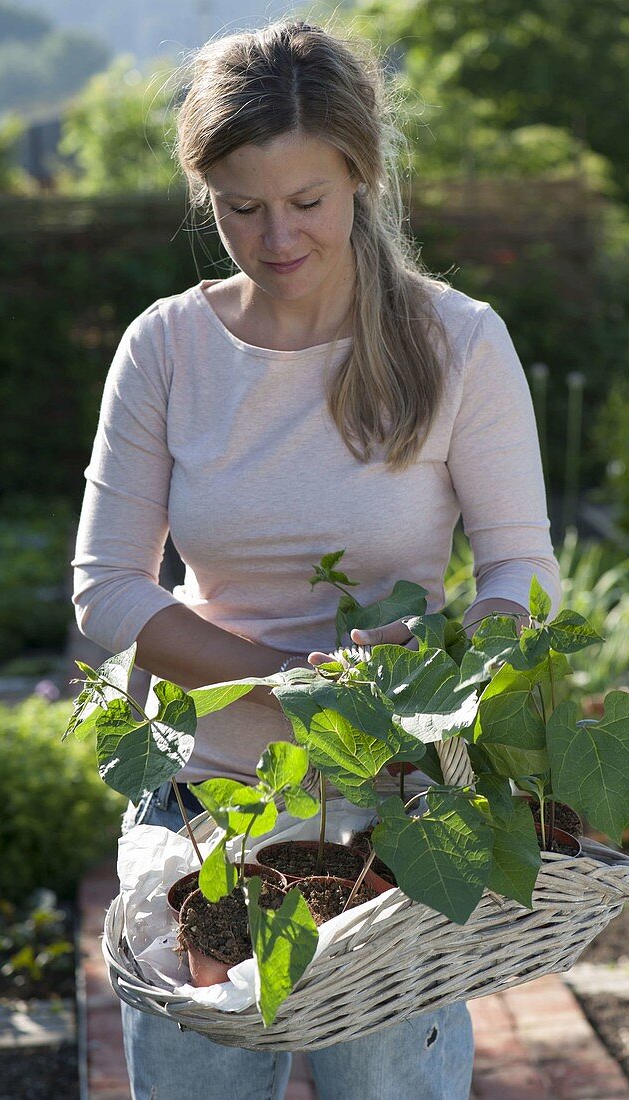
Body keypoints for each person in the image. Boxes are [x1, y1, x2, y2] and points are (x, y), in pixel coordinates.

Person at [72, 18, 562, 1100]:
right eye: (240, 207)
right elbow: (105, 586)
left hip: (393, 814)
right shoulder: (166, 346)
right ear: (207, 194)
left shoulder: (458, 343)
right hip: (205, 812)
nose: (274, 238)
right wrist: (286, 688)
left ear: (362, 178)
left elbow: (523, 572)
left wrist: (426, 663)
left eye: (307, 203)